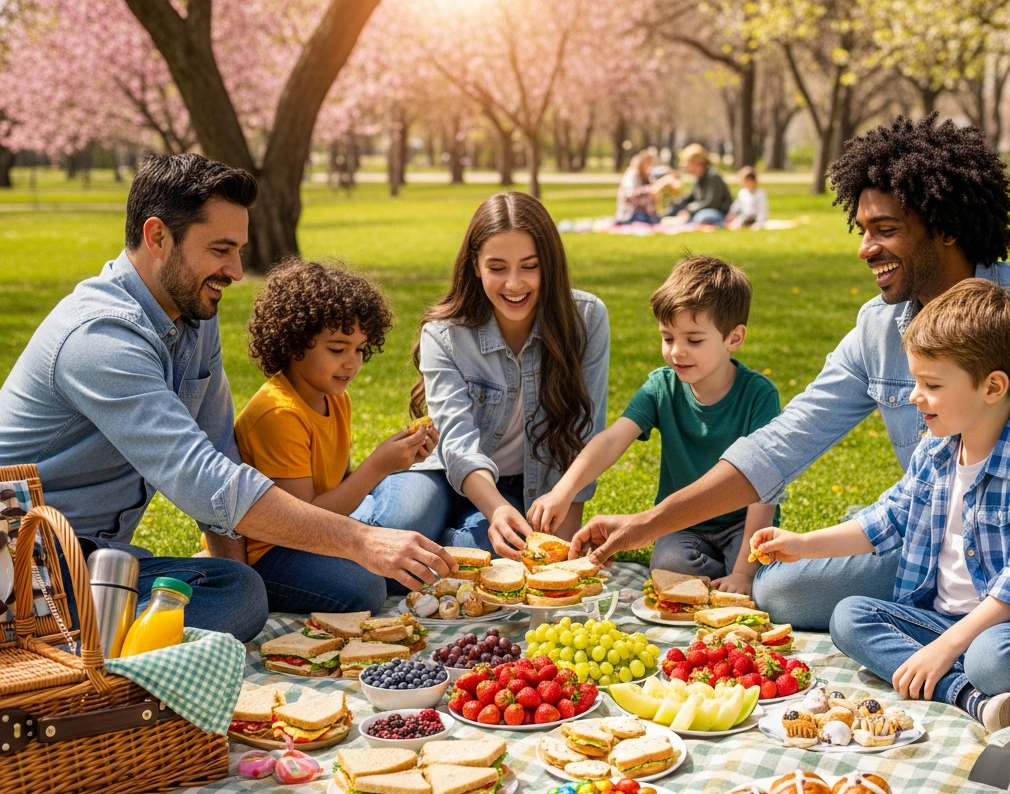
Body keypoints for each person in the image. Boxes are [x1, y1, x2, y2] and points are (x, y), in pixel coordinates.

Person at [0, 154, 456, 641]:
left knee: (239, 592)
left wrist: (245, 579)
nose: (236, 270)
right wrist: (362, 541)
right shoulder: (100, 338)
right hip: (13, 575)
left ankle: (103, 635)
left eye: (239, 250)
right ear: (157, 237)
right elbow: (200, 477)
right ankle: (50, 646)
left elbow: (219, 453)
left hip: (95, 562)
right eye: (220, 249)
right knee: (240, 601)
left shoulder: (193, 316)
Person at [571, 114, 1010, 631]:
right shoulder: (877, 329)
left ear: (946, 228)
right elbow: (780, 446)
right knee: (778, 589)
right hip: (926, 543)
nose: (865, 249)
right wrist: (649, 524)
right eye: (863, 230)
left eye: (886, 230)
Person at [750, 279, 1010, 732]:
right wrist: (803, 544)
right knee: (849, 616)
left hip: (996, 631)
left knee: (991, 660)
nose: (914, 396)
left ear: (992, 387)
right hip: (936, 619)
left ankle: (962, 673)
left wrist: (948, 646)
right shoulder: (935, 452)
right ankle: (969, 698)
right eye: (915, 380)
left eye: (931, 384)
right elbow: (885, 520)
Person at [375, 191, 610, 559]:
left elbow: (583, 434)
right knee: (401, 527)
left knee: (490, 554)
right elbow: (456, 443)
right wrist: (495, 509)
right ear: (476, 266)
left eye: (529, 266)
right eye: (497, 268)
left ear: (549, 264)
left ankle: (450, 538)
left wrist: (564, 550)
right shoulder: (444, 334)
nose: (514, 284)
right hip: (439, 470)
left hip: (519, 486)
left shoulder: (587, 319)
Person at [529, 255, 778, 594]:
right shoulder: (662, 387)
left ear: (733, 339)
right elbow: (612, 440)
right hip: (682, 525)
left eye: (693, 340)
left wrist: (744, 574)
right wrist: (564, 491)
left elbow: (764, 488)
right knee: (669, 564)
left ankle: (733, 577)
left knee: (764, 578)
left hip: (744, 524)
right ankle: (720, 580)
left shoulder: (759, 395)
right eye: (668, 337)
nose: (677, 352)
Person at [234, 258, 442, 614]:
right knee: (365, 588)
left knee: (423, 508)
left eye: (359, 349)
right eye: (337, 349)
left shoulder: (335, 398)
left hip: (327, 530)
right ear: (294, 343)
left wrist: (399, 461)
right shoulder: (279, 413)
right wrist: (378, 467)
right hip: (273, 552)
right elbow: (301, 524)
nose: (352, 363)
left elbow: (341, 488)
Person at [667, 144, 732, 226]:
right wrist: (674, 206)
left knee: (702, 217)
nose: (686, 167)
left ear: (698, 162)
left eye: (688, 163)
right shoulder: (698, 178)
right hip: (702, 211)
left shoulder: (713, 177)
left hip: (718, 213)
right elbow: (689, 199)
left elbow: (711, 203)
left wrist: (689, 211)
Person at [615, 148, 677, 225]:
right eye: (648, 163)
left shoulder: (648, 175)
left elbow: (654, 191)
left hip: (647, 213)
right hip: (631, 214)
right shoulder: (632, 174)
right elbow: (630, 193)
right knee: (643, 219)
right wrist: (651, 189)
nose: (650, 166)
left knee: (660, 219)